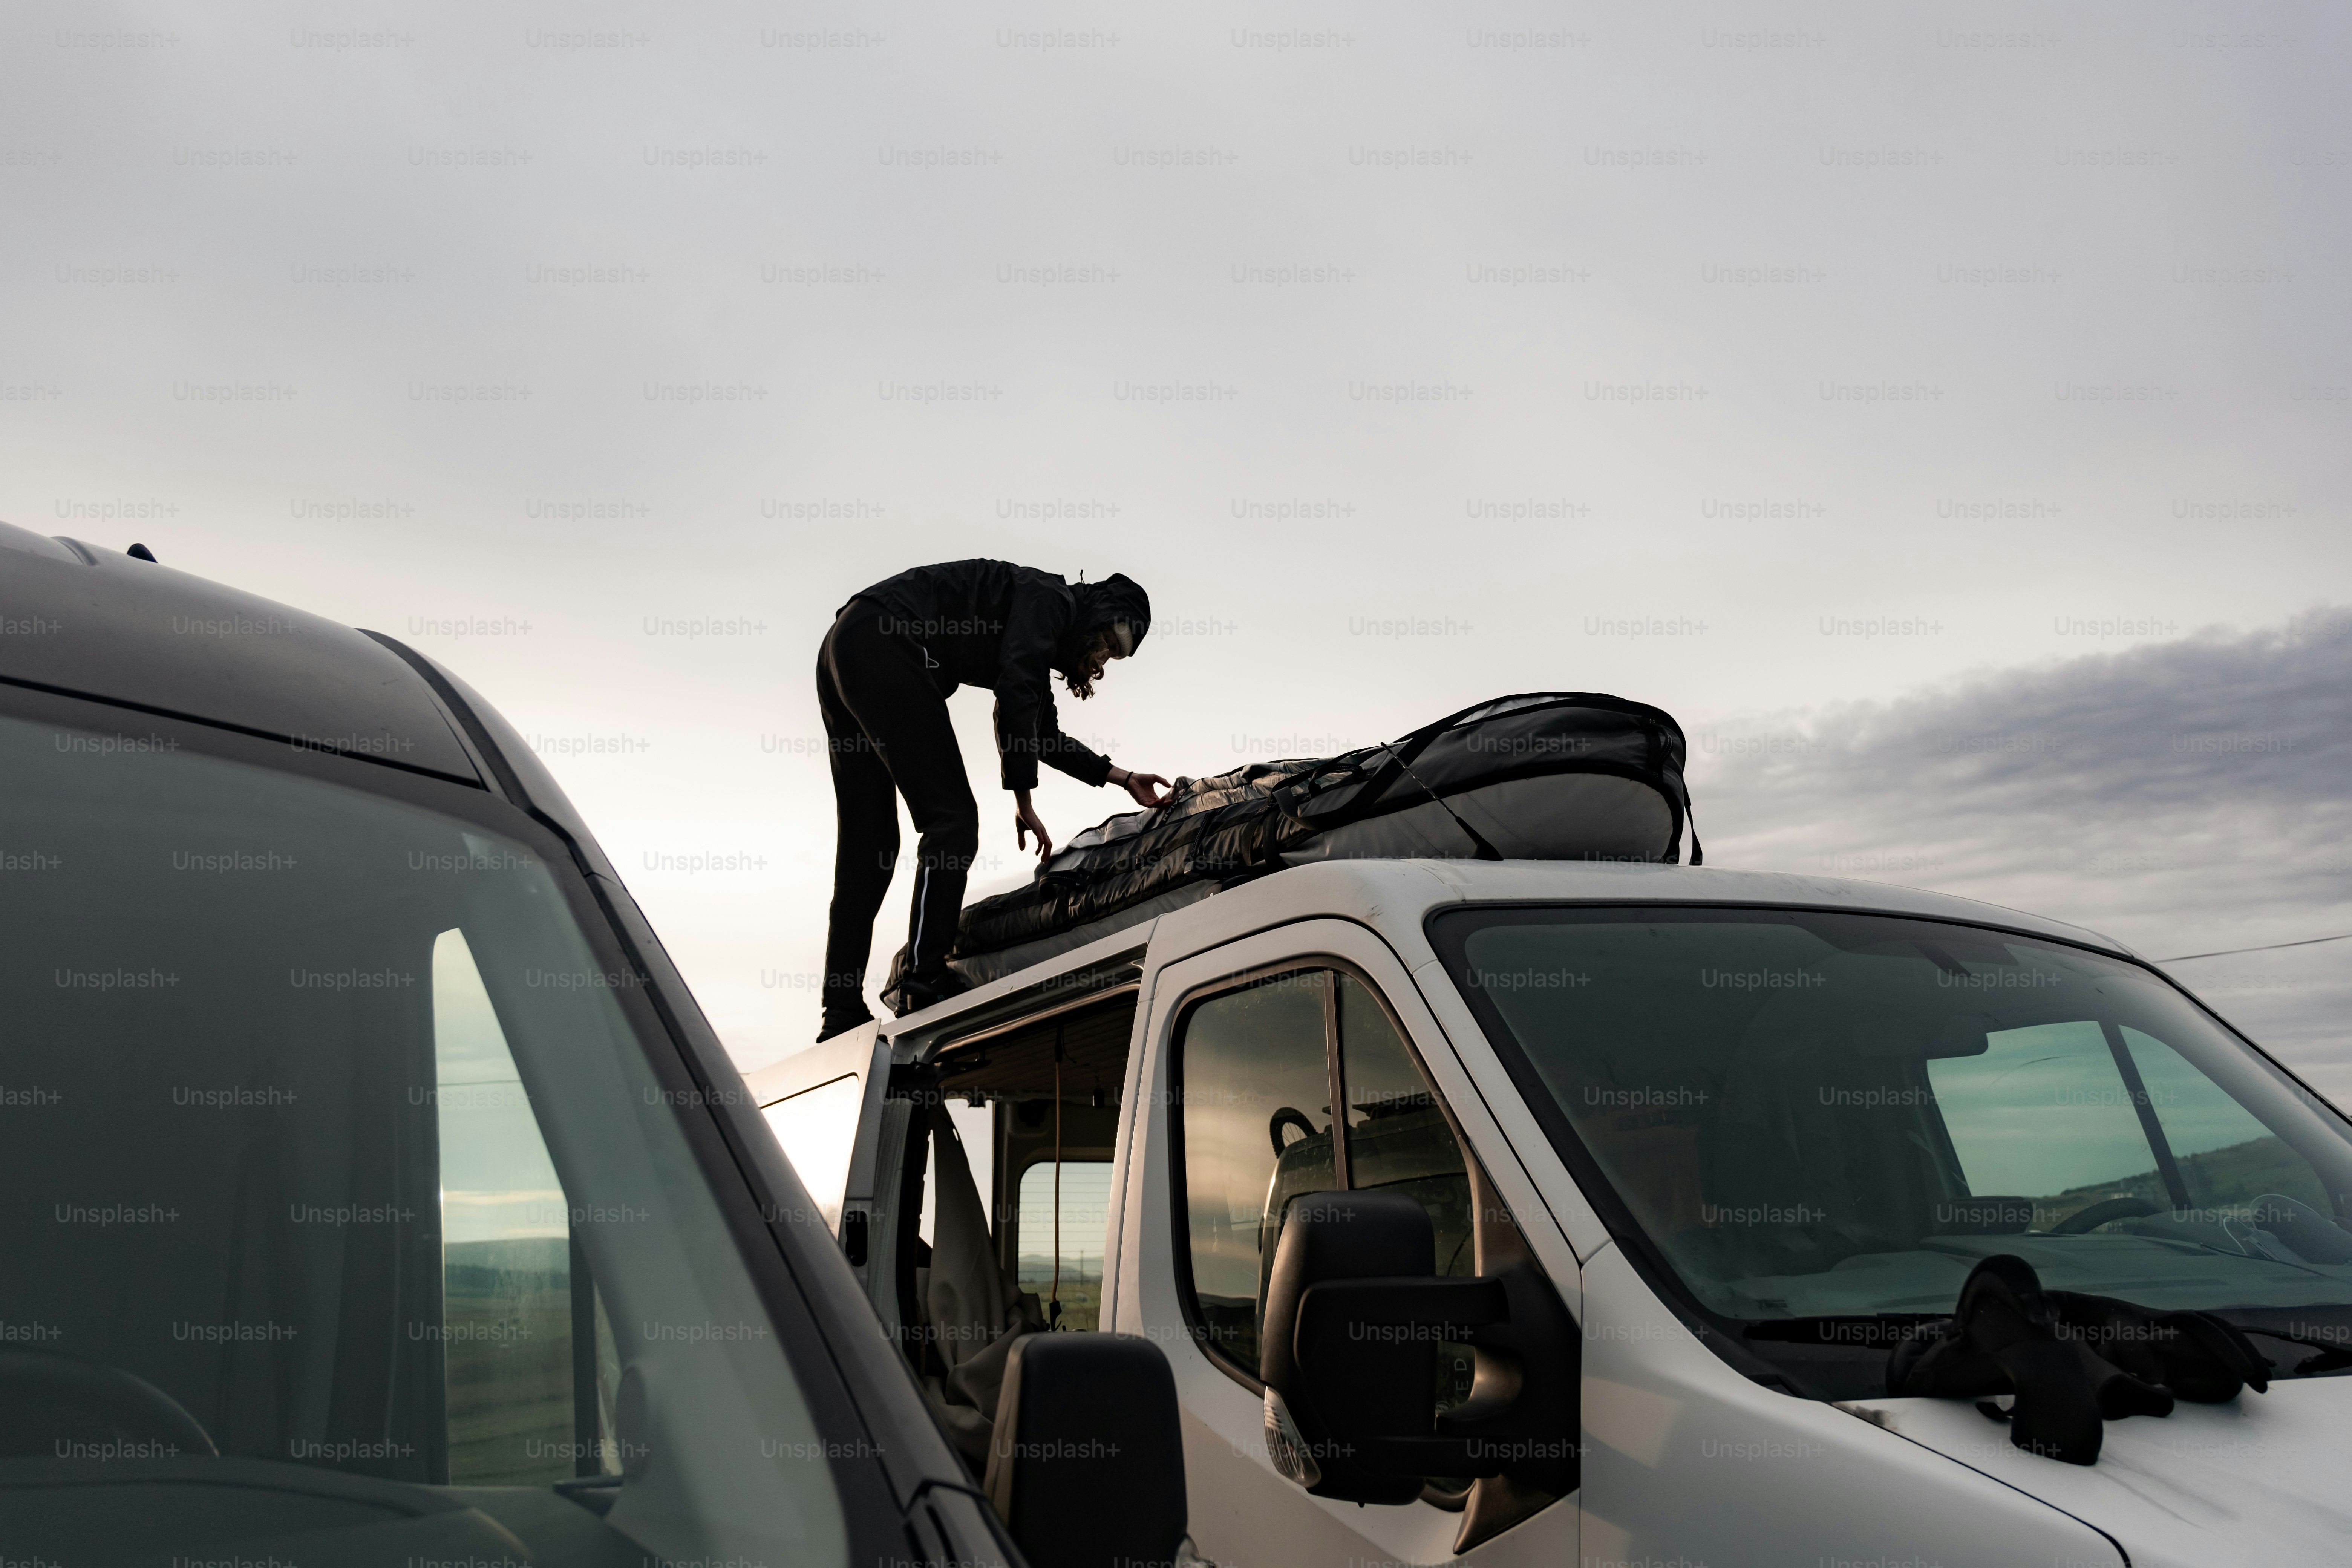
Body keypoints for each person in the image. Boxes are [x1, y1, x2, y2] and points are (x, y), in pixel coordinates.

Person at [814, 560, 1169, 1041]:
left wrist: (1121, 778)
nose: (1104, 659)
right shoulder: (1050, 600)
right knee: (953, 822)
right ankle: (924, 978)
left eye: (1116, 656)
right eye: (1108, 641)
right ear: (1097, 612)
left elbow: (1039, 730)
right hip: (887, 637)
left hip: (847, 642)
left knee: (870, 845)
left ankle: (839, 1013)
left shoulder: (1040, 621)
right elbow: (1016, 691)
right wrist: (1024, 799)